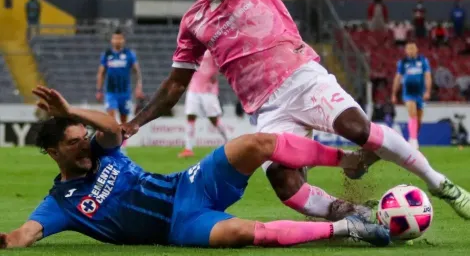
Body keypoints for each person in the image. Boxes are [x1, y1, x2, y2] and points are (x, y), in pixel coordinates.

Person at [122, 0, 470, 221]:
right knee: (283, 182)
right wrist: (135, 123)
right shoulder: (193, 22)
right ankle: (360, 217)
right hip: (266, 108)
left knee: (357, 128)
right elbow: (174, 85)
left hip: (302, 77)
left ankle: (443, 186)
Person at [0, 85, 391, 249]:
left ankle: (349, 159)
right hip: (179, 226)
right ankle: (347, 228)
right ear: (53, 153)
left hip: (189, 184)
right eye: (73, 143)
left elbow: (107, 124)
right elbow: (21, 237)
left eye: (83, 137)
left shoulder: (103, 151)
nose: (84, 144)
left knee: (255, 144)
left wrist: (69, 112)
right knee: (243, 232)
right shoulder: (61, 203)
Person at [179, 50, 229, 158]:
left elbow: (223, 63)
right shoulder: (195, 48)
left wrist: (216, 73)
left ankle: (229, 141)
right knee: (190, 116)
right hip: (193, 88)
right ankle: (188, 149)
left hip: (208, 90)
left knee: (213, 119)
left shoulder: (212, 49)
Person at [96, 29, 143, 125]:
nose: (117, 40)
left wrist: (138, 87)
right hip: (111, 93)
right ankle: (115, 140)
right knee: (111, 121)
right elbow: (101, 73)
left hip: (125, 93)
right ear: (111, 40)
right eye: (115, 38)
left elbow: (137, 72)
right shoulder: (107, 54)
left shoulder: (129, 54)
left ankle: (122, 140)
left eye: (120, 38)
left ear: (123, 40)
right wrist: (99, 90)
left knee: (124, 122)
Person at [391, 42, 432, 150]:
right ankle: (413, 140)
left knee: (419, 120)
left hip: (420, 93)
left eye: (412, 48)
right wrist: (394, 94)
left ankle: (413, 138)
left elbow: (427, 76)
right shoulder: (403, 63)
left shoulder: (423, 61)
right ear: (405, 51)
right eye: (408, 49)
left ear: (417, 49)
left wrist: (427, 91)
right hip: (408, 93)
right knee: (412, 114)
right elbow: (397, 78)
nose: (410, 50)